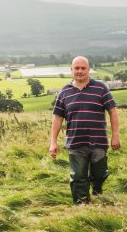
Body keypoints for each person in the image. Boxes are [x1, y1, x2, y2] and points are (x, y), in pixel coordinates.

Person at [50, 56, 121, 204]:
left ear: (89, 70)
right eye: (77, 68)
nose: (80, 71)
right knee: (78, 176)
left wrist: (115, 136)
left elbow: (113, 112)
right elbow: (57, 118)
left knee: (99, 174)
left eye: (83, 68)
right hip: (76, 142)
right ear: (71, 70)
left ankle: (97, 191)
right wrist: (53, 142)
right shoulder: (64, 92)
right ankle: (82, 205)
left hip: (99, 142)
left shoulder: (101, 88)